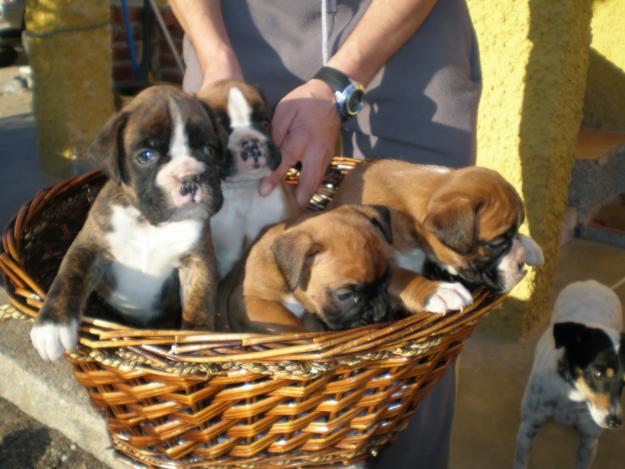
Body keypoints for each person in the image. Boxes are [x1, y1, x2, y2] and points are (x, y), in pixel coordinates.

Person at [170, 1, 481, 467]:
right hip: (238, 27)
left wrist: (339, 82)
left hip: (408, 28)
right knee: (211, 289)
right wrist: (215, 56)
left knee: (428, 298)